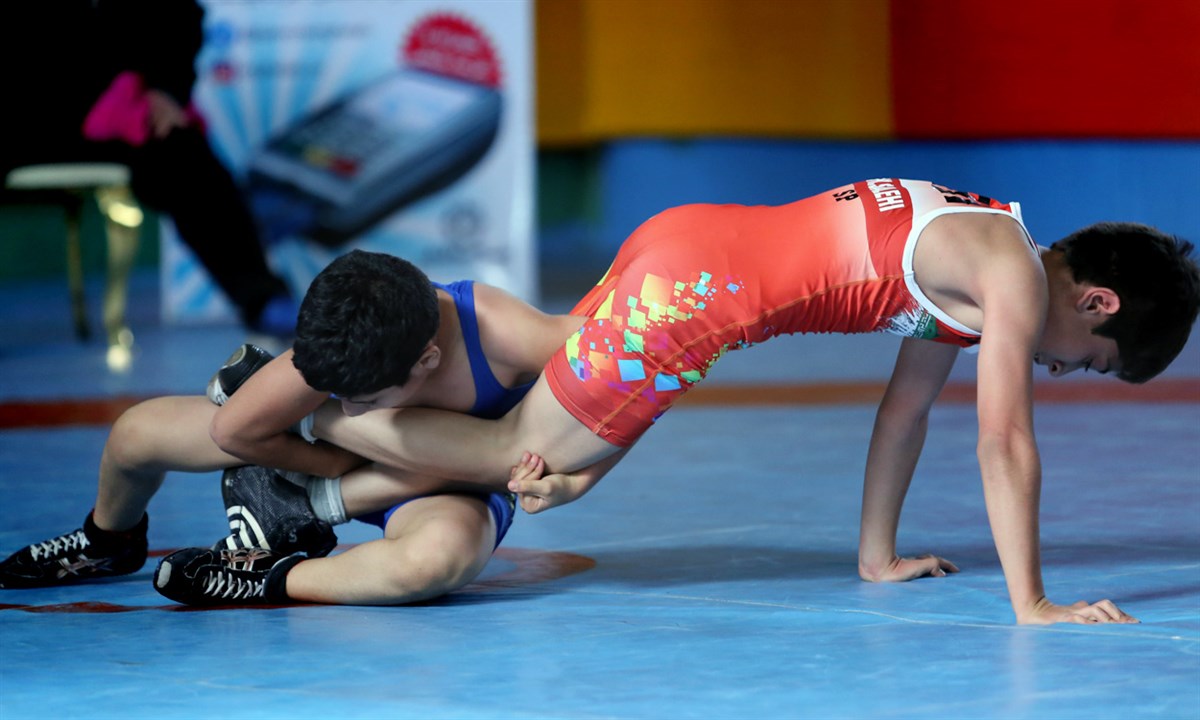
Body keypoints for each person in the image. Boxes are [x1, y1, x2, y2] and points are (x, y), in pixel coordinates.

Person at [212, 179, 1197, 625]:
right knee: (521, 451)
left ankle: (307, 442)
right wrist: (1033, 603)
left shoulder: (981, 236)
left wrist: (876, 557)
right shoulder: (1012, 279)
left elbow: (905, 414)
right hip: (691, 297)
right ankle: (321, 428)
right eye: (1088, 362)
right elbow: (1004, 441)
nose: (1061, 370)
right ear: (1097, 303)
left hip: (684, 243)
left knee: (568, 461)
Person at [0, 250, 585, 606]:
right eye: (338, 396)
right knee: (136, 433)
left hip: (453, 484)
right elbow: (234, 432)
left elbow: (620, 402)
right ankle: (109, 541)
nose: (353, 410)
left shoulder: (509, 335)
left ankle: (270, 577)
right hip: (336, 459)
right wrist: (327, 469)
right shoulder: (342, 335)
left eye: (365, 400)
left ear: (427, 360)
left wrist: (573, 482)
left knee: (431, 564)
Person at [0, 0, 295, 336]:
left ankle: (262, 299)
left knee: (185, 157)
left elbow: (180, 17)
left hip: (117, 109)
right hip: (23, 111)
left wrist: (164, 89)